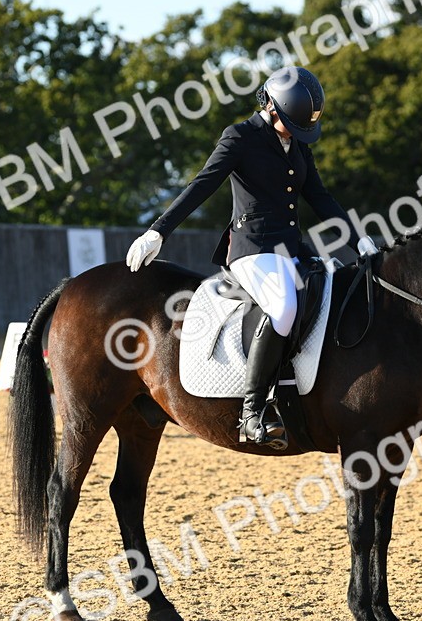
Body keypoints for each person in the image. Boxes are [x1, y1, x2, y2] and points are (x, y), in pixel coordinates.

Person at [126, 66, 378, 446]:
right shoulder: (240, 137)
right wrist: (157, 231)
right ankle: (252, 410)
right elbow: (202, 185)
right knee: (283, 308)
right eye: (291, 126)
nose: (296, 135)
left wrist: (359, 241)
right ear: (272, 107)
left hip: (291, 249)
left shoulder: (298, 144)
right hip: (253, 249)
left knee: (330, 291)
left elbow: (321, 198)